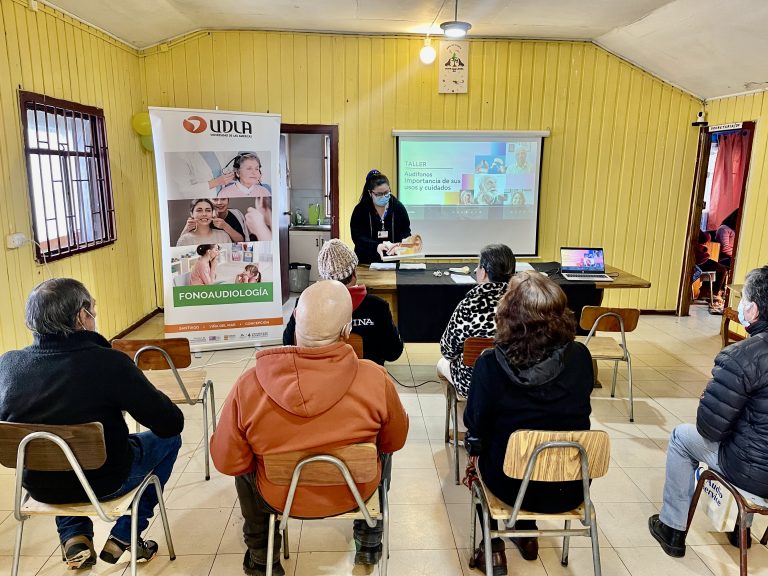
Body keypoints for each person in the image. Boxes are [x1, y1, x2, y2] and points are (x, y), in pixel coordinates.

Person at [211, 280, 409, 576]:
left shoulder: (248, 385)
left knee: (246, 468)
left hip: (279, 496)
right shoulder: (376, 379)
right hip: (355, 492)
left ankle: (261, 557)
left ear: (293, 322)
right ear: (346, 331)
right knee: (382, 447)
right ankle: (369, 540)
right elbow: (396, 440)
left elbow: (228, 461)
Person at [0, 278, 183, 569]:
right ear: (82, 316)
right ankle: (126, 535)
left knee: (55, 443)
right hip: (106, 481)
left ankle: (75, 537)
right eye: (93, 310)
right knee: (170, 441)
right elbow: (170, 423)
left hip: (39, 486)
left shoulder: (8, 365)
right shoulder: (109, 363)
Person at [464, 271, 593, 575]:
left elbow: (475, 424)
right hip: (570, 484)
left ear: (508, 315)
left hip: (509, 483)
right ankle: (527, 533)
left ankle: (493, 549)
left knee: (484, 452)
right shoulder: (581, 357)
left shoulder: (489, 363)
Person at [649, 265, 768, 558]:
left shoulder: (742, 356)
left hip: (752, 471)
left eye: (742, 299)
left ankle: (672, 529)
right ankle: (740, 532)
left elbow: (710, 429)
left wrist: (710, 401)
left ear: (752, 311)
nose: (738, 305)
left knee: (681, 437)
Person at [283, 239, 403, 365]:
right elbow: (393, 353)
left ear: (324, 277)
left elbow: (288, 345)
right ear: (354, 272)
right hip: (366, 381)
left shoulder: (305, 304)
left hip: (319, 381)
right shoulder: (377, 307)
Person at [438, 244, 516, 398]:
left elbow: (447, 351)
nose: (475, 270)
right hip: (516, 382)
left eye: (479, 266)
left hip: (474, 383)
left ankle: (460, 417)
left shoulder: (469, 305)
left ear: (485, 273)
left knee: (441, 364)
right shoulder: (525, 302)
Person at [350, 170, 411, 264]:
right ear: (370, 193)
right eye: (379, 194)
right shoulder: (360, 210)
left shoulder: (398, 207)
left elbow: (405, 232)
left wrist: (400, 245)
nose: (384, 196)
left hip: (392, 262)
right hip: (366, 263)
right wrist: (376, 246)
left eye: (386, 192)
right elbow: (358, 237)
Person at [694, 230, 727, 305]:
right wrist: (707, 235)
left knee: (715, 268)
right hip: (695, 260)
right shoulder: (694, 228)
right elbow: (704, 237)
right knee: (722, 269)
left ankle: (706, 292)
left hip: (697, 259)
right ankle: (711, 294)